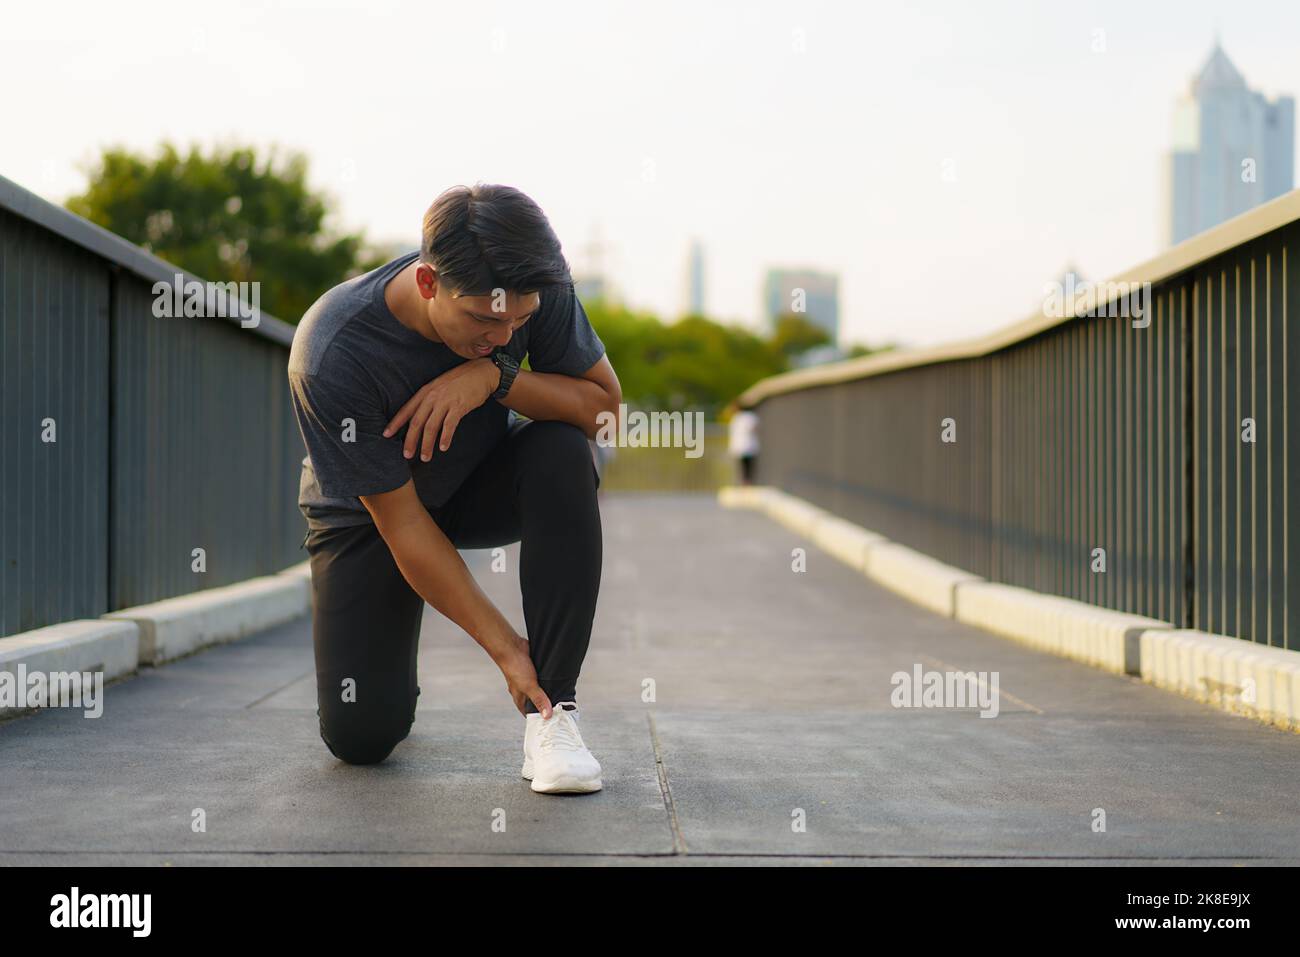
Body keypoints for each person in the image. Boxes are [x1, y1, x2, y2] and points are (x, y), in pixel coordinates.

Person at [287, 184, 622, 794]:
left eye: (519, 321)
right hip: (370, 515)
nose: (503, 333)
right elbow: (405, 525)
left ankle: (555, 716)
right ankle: (391, 676)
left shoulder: (536, 288)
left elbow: (604, 412)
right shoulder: (332, 350)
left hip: (479, 480)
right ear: (426, 283)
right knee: (361, 738)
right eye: (483, 320)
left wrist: (496, 378)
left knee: (564, 451)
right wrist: (505, 649)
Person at [727, 403, 760, 485]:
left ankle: (747, 482)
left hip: (747, 446)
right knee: (745, 466)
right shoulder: (737, 418)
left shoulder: (746, 417)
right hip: (744, 446)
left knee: (747, 466)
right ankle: (745, 482)